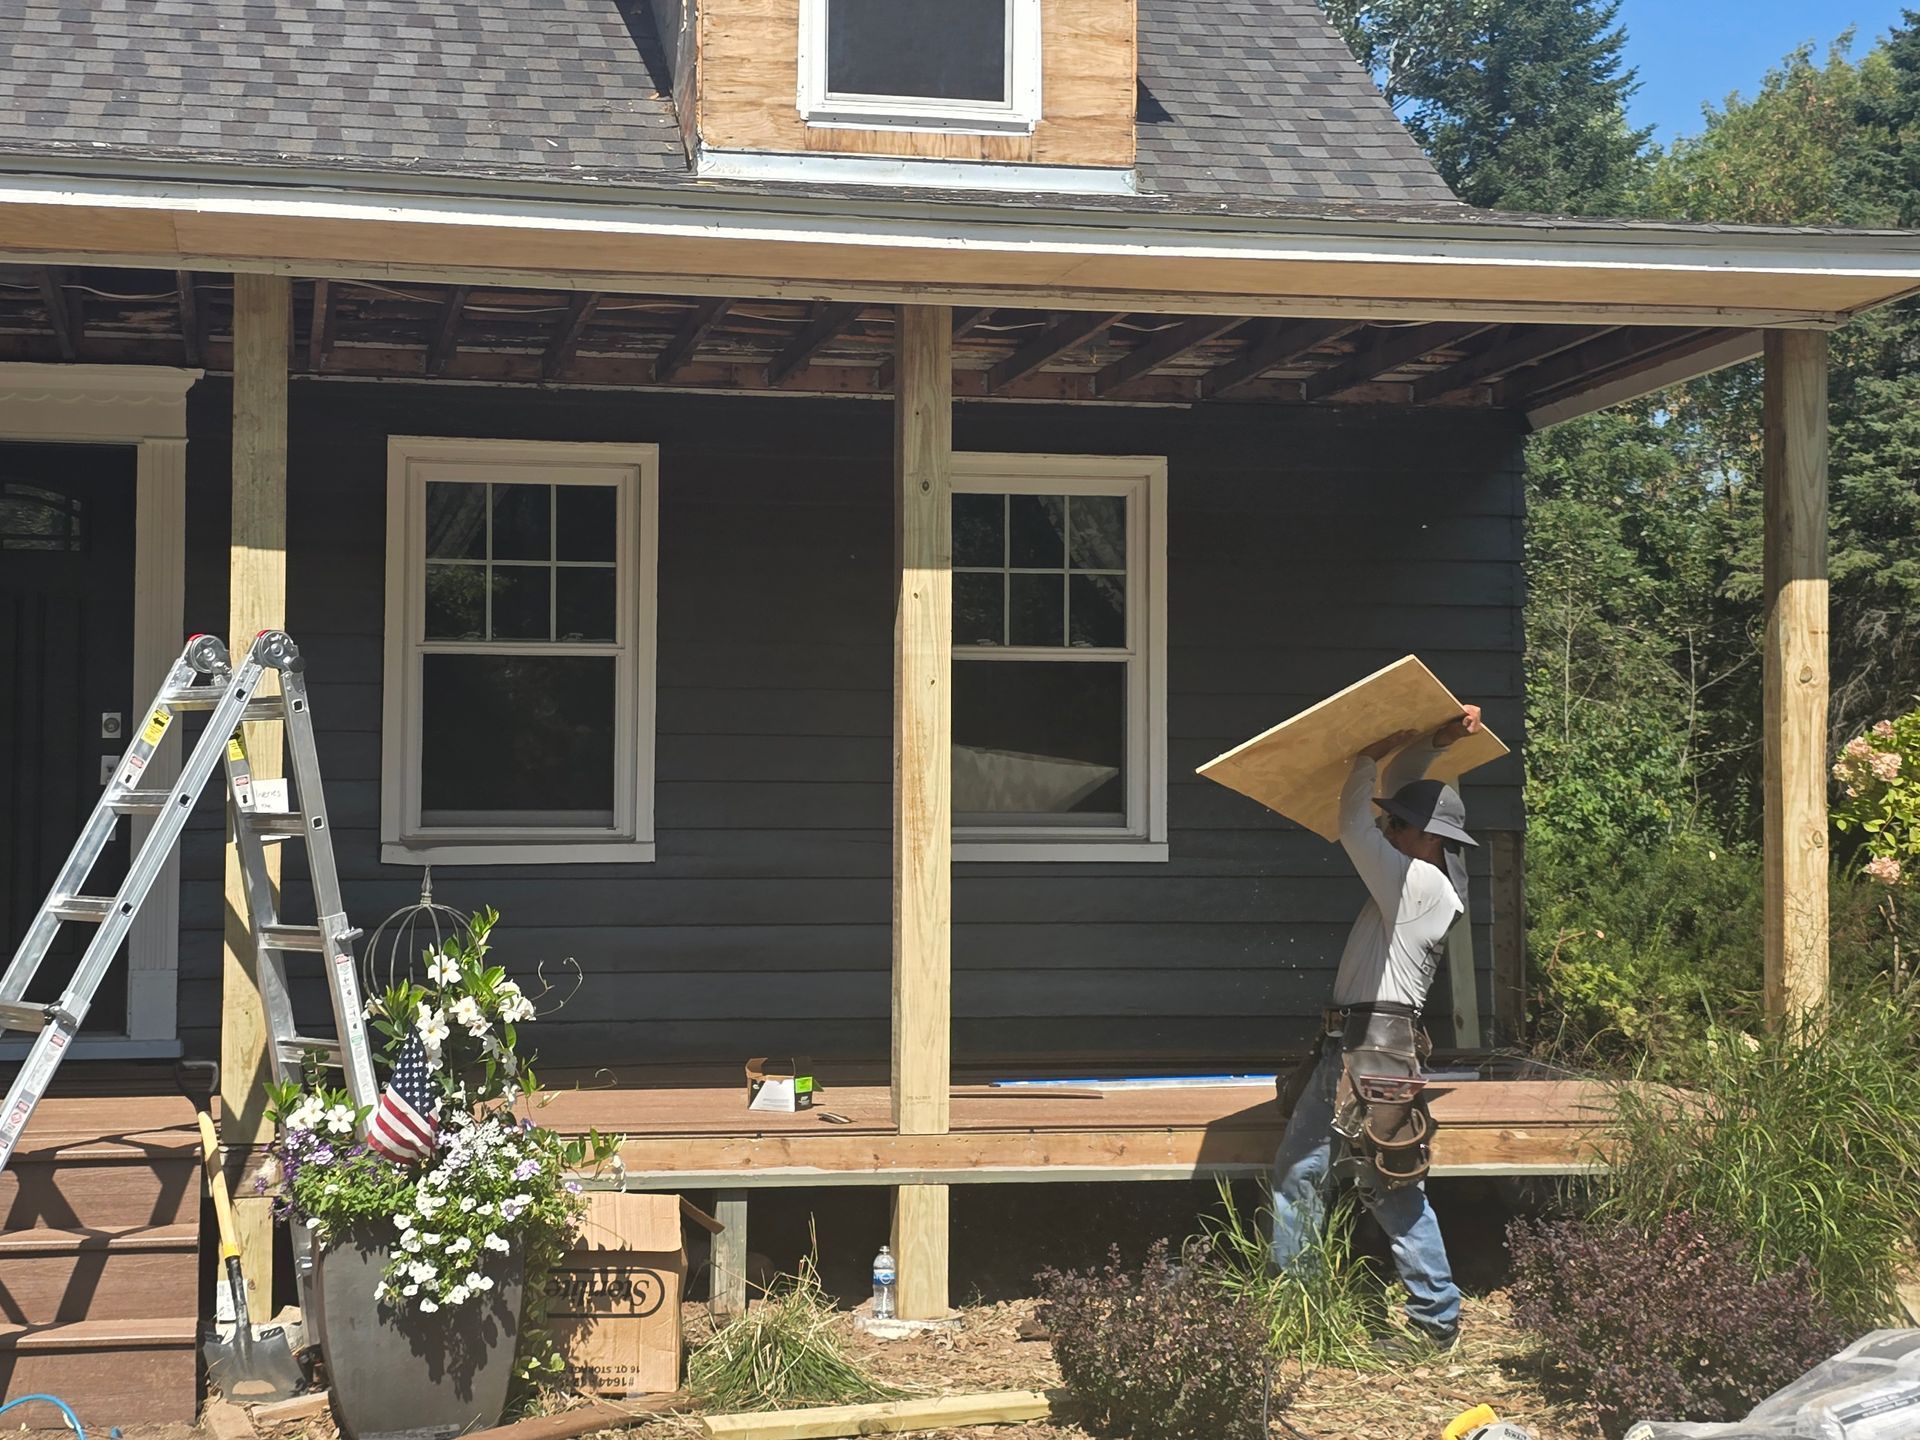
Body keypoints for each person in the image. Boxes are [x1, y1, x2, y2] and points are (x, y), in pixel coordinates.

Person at [1268, 705, 1482, 1356]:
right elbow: (1405, 799)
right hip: (1366, 1049)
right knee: (1329, 1178)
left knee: (1380, 1185)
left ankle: (1431, 1320)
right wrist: (1433, 743)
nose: (1386, 829)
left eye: (1398, 825)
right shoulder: (1426, 873)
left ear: (1423, 837)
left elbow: (1351, 821)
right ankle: (1310, 1311)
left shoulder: (1414, 882)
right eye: (1391, 822)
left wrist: (1366, 756)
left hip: (1371, 1052)